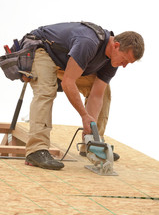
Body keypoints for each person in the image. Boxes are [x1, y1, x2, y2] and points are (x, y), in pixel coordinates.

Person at [17, 22, 144, 170]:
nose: (124, 66)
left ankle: (92, 144)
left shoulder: (112, 62)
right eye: (124, 60)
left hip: (65, 62)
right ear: (116, 45)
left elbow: (96, 95)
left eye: (128, 63)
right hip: (42, 49)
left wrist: (91, 128)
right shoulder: (88, 42)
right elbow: (68, 83)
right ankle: (36, 150)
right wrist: (84, 115)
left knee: (105, 91)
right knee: (46, 90)